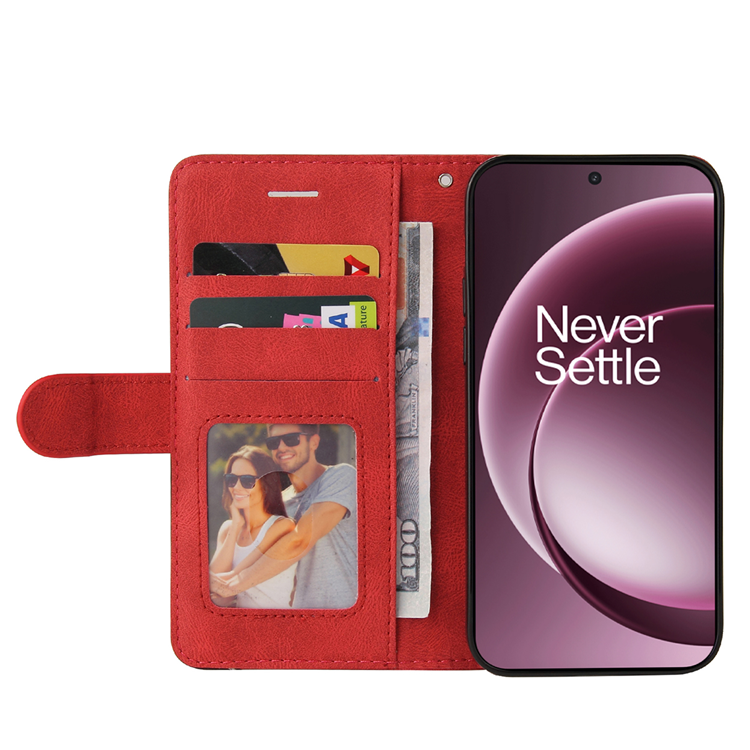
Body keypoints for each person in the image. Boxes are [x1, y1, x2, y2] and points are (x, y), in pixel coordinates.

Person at [210, 424, 357, 608]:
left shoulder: (341, 477)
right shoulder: (281, 505)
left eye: (291, 439)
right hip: (299, 617)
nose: (281, 447)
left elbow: (299, 540)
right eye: (273, 442)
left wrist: (233, 585)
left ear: (314, 442)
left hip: (342, 614)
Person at [209, 445, 296, 608]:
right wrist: (235, 526)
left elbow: (229, 580)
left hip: (275, 621)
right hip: (242, 621)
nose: (236, 487)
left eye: (247, 481)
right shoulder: (228, 529)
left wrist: (208, 581)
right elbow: (218, 597)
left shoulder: (282, 526)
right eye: (232, 479)